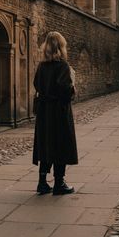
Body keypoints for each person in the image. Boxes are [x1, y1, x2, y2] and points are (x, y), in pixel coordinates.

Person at [33, 31, 78, 195]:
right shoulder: (63, 66)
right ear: (61, 47)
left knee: (46, 145)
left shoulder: (41, 66)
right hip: (59, 112)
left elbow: (36, 85)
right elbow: (66, 91)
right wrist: (73, 87)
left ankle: (42, 182)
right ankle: (59, 183)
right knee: (61, 145)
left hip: (44, 113)